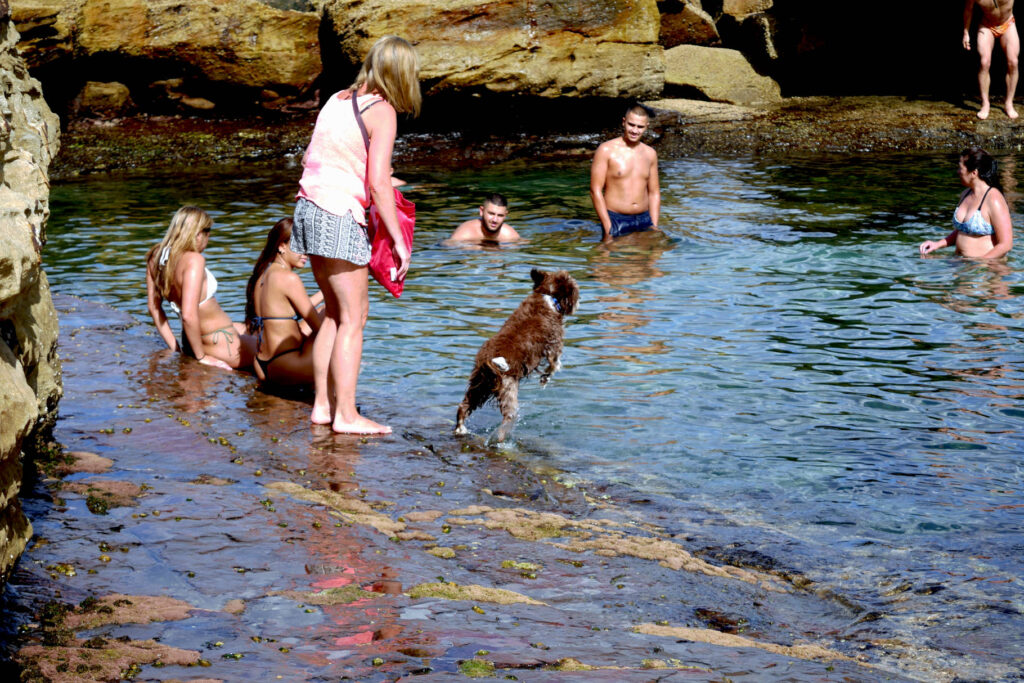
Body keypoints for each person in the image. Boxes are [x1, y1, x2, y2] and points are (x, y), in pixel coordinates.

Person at [290, 35, 420, 434]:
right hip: (338, 214)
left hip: (307, 208)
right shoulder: (382, 111)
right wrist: (398, 239)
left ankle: (323, 407)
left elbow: (316, 157)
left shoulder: (337, 99)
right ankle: (346, 415)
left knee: (334, 312)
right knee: (355, 318)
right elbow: (379, 182)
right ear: (400, 73)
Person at [146, 205, 256, 371]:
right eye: (208, 232)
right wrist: (202, 357)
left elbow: (154, 307)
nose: (208, 238)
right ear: (198, 234)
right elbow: (189, 316)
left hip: (192, 342)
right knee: (279, 343)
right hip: (223, 346)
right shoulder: (193, 260)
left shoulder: (155, 256)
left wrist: (175, 348)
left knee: (251, 327)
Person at [245, 218, 325, 385]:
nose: (306, 253)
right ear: (281, 246)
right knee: (336, 313)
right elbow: (318, 327)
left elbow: (291, 309)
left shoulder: (263, 274)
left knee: (323, 309)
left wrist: (324, 292)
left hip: (262, 364)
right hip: (287, 366)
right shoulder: (289, 278)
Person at [920, 147, 1015, 258]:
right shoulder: (965, 194)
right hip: (962, 265)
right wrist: (937, 244)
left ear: (974, 173)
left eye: (961, 168)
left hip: (985, 270)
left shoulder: (994, 199)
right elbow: (963, 230)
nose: (958, 172)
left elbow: (1006, 244)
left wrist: (980, 264)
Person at [590, 104, 661, 241]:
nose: (635, 130)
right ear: (624, 122)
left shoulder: (650, 154)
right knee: (607, 260)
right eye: (631, 125)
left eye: (640, 127)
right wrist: (607, 225)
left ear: (646, 126)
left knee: (648, 260)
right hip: (616, 218)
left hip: (644, 219)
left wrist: (654, 224)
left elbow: (654, 192)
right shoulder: (606, 150)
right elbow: (595, 190)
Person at [964, 0, 1020, 119]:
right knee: (984, 62)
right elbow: (968, 9)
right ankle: (985, 104)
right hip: (987, 25)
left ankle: (1009, 103)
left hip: (1008, 23)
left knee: (1013, 62)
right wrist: (966, 32)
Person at [447, 193, 521, 242]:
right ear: (481, 211)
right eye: (491, 214)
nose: (495, 220)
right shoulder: (466, 233)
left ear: (505, 215)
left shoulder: (510, 236)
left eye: (500, 215)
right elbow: (448, 247)